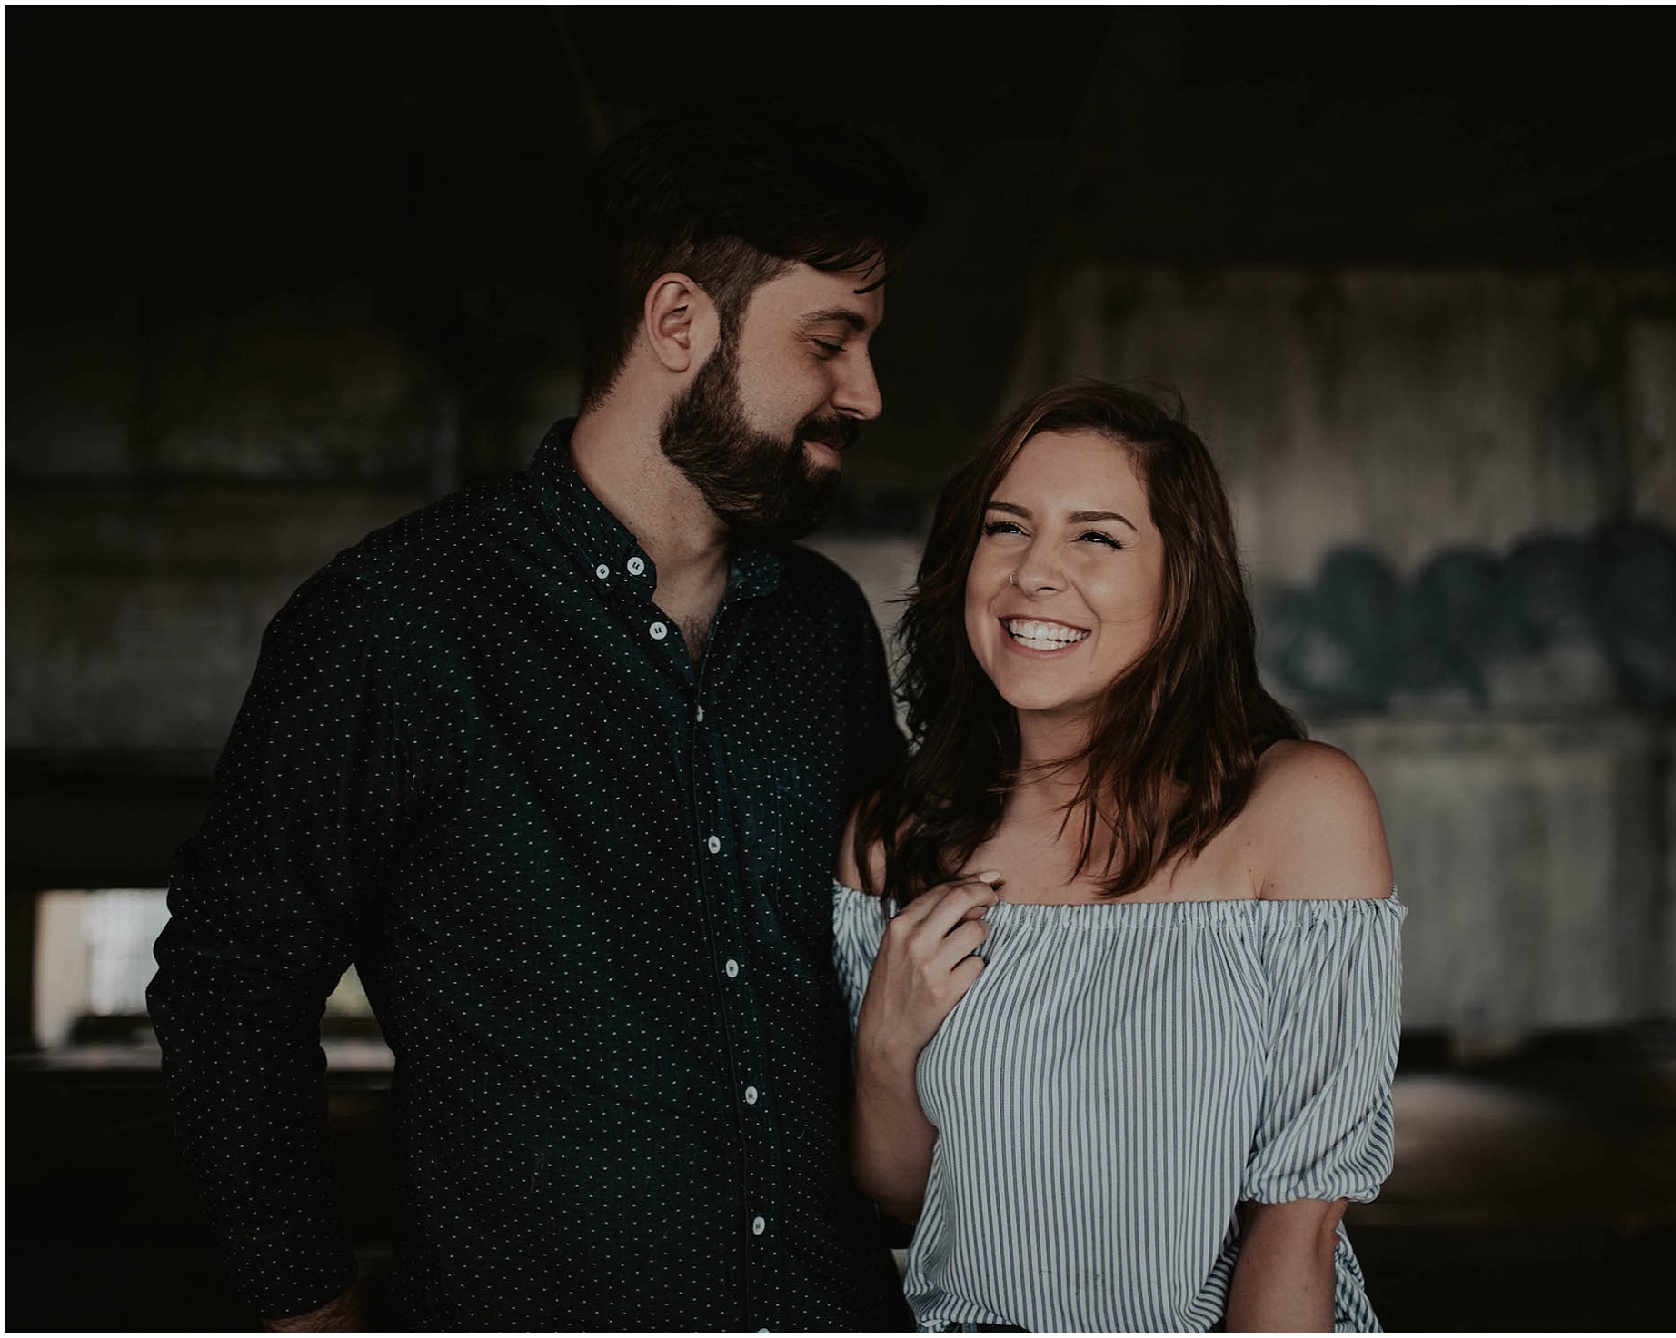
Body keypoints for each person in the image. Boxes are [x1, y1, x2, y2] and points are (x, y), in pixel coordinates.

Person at [147, 105, 924, 1331]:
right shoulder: (397, 622)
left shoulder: (820, 628)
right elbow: (229, 982)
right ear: (679, 322)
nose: (866, 391)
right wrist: (307, 1312)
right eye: (829, 341)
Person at [832, 382, 1405, 1332]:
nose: (1033, 573)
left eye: (1095, 537)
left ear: (1181, 584)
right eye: (1007, 527)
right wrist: (889, 1041)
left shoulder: (1296, 813)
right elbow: (902, 1199)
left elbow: (1295, 1227)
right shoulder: (897, 839)